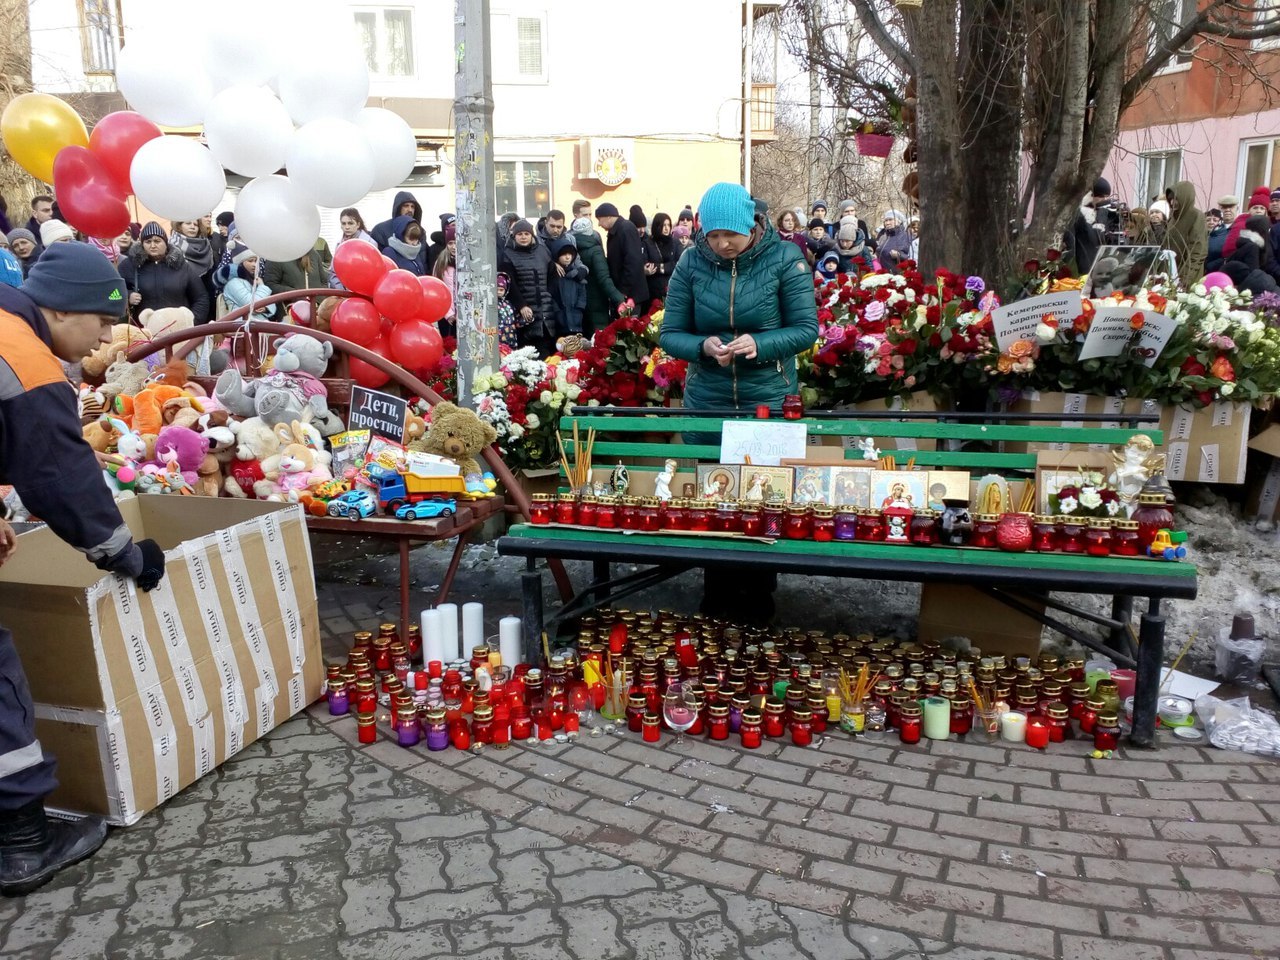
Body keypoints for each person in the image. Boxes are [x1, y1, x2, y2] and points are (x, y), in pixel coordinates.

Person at [0, 242, 166, 896]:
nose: (104, 336)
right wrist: (124, 555)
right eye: (100, 322)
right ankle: (21, 842)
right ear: (63, 311)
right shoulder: (27, 359)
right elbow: (60, 479)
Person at [660, 182, 817, 624]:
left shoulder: (784, 258)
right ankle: (716, 597)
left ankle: (759, 596)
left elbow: (806, 328)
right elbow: (671, 332)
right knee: (713, 496)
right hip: (708, 397)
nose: (723, 244)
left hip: (766, 394)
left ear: (752, 224)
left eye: (731, 234)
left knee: (762, 496)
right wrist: (703, 347)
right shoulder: (691, 262)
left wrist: (761, 343)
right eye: (713, 236)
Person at [117, 221, 209, 320]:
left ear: (165, 242)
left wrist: (191, 323)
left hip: (178, 330)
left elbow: (201, 298)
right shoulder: (129, 265)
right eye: (148, 241)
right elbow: (113, 293)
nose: (152, 246)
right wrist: (128, 296)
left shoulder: (181, 266)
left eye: (157, 241)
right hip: (144, 331)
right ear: (142, 244)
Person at [499, 219, 556, 357]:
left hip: (546, 310)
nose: (523, 237)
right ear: (514, 236)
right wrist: (521, 305)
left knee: (548, 353)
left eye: (526, 234)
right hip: (523, 313)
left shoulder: (543, 251)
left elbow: (552, 278)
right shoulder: (508, 254)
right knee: (528, 353)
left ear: (532, 235)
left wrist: (550, 299)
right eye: (520, 234)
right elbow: (509, 284)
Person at [569, 217, 625, 337]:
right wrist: (619, 298)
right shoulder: (595, 250)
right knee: (599, 340)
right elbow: (603, 278)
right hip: (597, 302)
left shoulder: (569, 249)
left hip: (576, 302)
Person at [595, 202, 649, 311]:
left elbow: (633, 262)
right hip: (624, 294)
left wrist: (623, 291)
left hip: (631, 296)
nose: (599, 224)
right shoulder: (616, 231)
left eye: (599, 219)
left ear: (609, 216)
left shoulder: (626, 229)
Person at [169, 220, 217, 322]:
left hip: (206, 303)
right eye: (188, 223)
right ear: (179, 226)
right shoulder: (171, 248)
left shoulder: (207, 246)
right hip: (181, 304)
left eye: (195, 224)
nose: (192, 227)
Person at [1064, 178, 1113, 272]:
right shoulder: (1078, 214)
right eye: (1102, 196)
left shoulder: (1104, 213)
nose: (1105, 200)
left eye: (1107, 197)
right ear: (1092, 195)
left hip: (1099, 265)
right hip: (1083, 264)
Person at [219, 241, 277, 320]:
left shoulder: (254, 279)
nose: (254, 264)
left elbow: (270, 303)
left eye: (256, 261)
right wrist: (262, 286)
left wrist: (266, 308)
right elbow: (252, 305)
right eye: (250, 261)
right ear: (240, 263)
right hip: (242, 328)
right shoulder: (233, 283)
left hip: (258, 325)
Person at [1163, 181, 1206, 285]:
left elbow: (1198, 251)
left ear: (1185, 198)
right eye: (1170, 199)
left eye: (1176, 199)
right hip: (1170, 273)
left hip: (1186, 276)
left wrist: (1184, 278)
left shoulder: (1196, 216)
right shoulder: (1173, 217)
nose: (1172, 202)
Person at [1223, 221, 1280, 295]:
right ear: (1262, 231)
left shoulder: (1247, 244)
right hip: (1250, 290)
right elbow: (1254, 275)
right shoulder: (1253, 247)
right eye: (1267, 230)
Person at [548, 235, 588, 336]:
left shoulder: (576, 274)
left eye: (570, 254)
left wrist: (579, 308)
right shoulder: (553, 276)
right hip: (559, 320)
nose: (567, 257)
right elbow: (550, 295)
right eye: (564, 254)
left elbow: (582, 293)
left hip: (576, 319)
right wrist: (556, 310)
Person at [630, 206, 663, 306]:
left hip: (648, 289)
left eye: (643, 226)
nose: (642, 230)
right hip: (633, 292)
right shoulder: (628, 241)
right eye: (638, 227)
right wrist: (642, 271)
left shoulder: (648, 240)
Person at [433, 223, 457, 338]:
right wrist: (448, 314)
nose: (453, 246)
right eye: (450, 243)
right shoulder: (441, 262)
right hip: (446, 316)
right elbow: (437, 290)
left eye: (456, 243)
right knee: (449, 345)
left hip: (464, 316)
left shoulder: (469, 262)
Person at [650, 213, 682, 298]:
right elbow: (646, 264)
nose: (666, 228)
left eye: (668, 225)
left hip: (672, 288)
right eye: (663, 225)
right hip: (653, 290)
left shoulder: (675, 242)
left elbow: (679, 265)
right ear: (657, 226)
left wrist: (658, 268)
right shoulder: (648, 243)